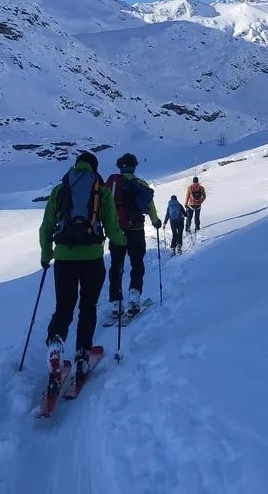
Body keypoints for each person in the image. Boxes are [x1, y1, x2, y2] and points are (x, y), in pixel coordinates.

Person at [39, 151, 125, 381]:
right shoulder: (101, 191)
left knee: (64, 307)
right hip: (92, 259)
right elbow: (113, 226)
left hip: (64, 259)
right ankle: (82, 355)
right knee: (88, 306)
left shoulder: (60, 190)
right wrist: (121, 243)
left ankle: (56, 345)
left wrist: (46, 256)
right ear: (94, 168)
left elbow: (46, 228)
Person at [104, 153, 160, 320]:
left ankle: (115, 303)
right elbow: (150, 207)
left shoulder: (112, 186)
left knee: (116, 266)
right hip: (136, 230)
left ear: (120, 167)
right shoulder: (140, 184)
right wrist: (156, 222)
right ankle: (134, 299)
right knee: (137, 264)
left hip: (116, 231)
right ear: (134, 166)